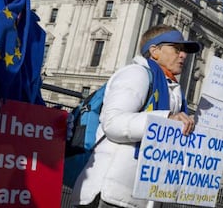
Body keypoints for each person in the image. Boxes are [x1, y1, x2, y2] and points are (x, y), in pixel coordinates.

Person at [72, 24, 201, 208]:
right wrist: (166, 119)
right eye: (176, 49)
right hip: (109, 194)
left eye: (184, 51)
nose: (183, 55)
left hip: (139, 197)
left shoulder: (173, 90)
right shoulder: (137, 74)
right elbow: (113, 124)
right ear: (154, 51)